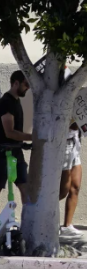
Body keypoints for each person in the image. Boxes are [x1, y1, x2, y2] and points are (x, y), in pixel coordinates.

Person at [0, 71, 31, 205]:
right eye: (26, 84)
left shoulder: (16, 101)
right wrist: (33, 137)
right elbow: (10, 132)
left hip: (16, 152)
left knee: (25, 187)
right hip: (3, 153)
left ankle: (27, 222)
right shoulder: (6, 102)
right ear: (16, 83)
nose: (28, 87)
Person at [59, 121, 83, 239]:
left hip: (75, 143)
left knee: (75, 187)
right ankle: (42, 219)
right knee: (63, 191)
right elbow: (71, 123)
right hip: (65, 145)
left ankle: (67, 226)